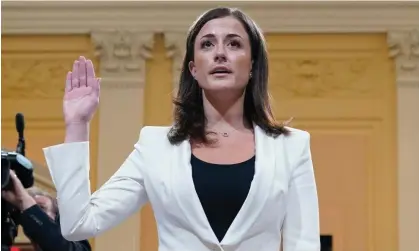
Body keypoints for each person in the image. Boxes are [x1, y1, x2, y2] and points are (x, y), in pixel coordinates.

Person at [43, 7, 320, 251]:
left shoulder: (292, 147)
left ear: (252, 66)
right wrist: (77, 125)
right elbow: (79, 224)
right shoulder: (155, 146)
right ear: (193, 69)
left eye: (234, 44)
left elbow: (304, 244)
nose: (220, 53)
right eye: (207, 45)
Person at [1, 170, 91, 251]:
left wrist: (25, 202)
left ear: (57, 218)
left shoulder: (76, 243)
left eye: (41, 208)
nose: (32, 215)